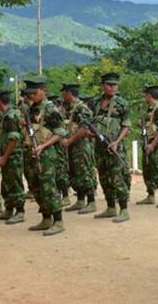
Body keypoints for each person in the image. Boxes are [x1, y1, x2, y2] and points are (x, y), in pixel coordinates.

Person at [22, 76, 67, 236]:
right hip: (31, 152)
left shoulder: (50, 109)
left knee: (48, 186)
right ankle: (46, 218)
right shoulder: (31, 109)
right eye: (29, 94)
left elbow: (60, 132)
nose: (31, 96)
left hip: (46, 153)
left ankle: (58, 220)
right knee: (35, 186)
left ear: (43, 90)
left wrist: (43, 146)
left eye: (34, 93)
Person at [89, 72, 131, 223]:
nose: (112, 87)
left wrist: (117, 141)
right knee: (104, 177)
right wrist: (90, 133)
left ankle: (124, 209)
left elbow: (126, 125)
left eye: (115, 85)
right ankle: (110, 207)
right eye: (109, 85)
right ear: (103, 86)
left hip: (114, 147)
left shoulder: (122, 103)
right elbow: (90, 122)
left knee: (117, 177)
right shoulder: (94, 102)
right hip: (100, 146)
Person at [60, 83, 98, 214]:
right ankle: (80, 200)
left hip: (81, 146)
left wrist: (69, 140)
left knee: (84, 173)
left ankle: (91, 201)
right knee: (75, 174)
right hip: (72, 146)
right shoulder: (71, 108)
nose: (62, 96)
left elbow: (84, 129)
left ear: (69, 93)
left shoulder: (82, 108)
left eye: (64, 93)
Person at [136, 84, 158, 208]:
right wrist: (142, 124)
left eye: (145, 95)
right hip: (147, 142)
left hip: (154, 144)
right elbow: (150, 124)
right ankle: (150, 195)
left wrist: (153, 145)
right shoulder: (150, 109)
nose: (144, 97)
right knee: (147, 169)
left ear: (149, 95)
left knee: (156, 170)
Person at [0, 87, 26, 224]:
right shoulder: (6, 114)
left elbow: (14, 139)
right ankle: (9, 209)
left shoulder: (10, 116)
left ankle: (20, 211)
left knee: (15, 182)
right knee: (7, 182)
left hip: (13, 155)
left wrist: (5, 156)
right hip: (7, 154)